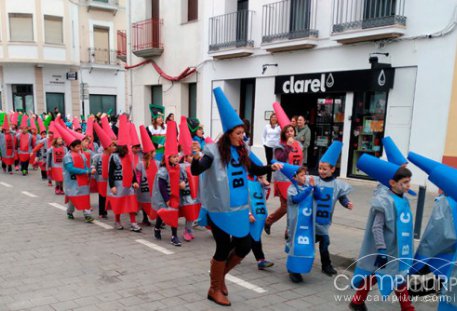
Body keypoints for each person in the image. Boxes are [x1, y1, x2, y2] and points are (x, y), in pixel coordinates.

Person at [191, 87, 282, 307]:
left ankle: (220, 278)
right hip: (219, 210)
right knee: (222, 248)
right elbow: (197, 170)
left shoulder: (243, 151)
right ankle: (214, 289)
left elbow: (257, 170)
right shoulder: (212, 151)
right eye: (239, 133)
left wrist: (271, 166)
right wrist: (195, 157)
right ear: (229, 133)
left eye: (244, 133)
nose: (243, 136)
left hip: (240, 208)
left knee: (244, 246)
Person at [350, 154, 414, 311]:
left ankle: (357, 302)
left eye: (409, 182)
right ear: (392, 183)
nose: (408, 186)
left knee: (381, 275)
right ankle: (407, 308)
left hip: (398, 247)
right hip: (386, 248)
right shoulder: (384, 201)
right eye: (404, 182)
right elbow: (377, 227)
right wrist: (381, 249)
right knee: (392, 276)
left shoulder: (404, 199)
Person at [313, 141, 353, 276]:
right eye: (320, 168)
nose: (321, 171)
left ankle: (326, 266)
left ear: (332, 169)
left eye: (324, 169)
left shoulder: (337, 185)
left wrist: (347, 203)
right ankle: (300, 261)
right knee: (308, 243)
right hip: (311, 220)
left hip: (324, 222)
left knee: (324, 243)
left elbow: (341, 197)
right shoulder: (314, 181)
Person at [264, 124, 302, 236]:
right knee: (285, 206)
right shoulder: (279, 145)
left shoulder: (299, 144)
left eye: (292, 131)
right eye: (287, 131)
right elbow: (280, 159)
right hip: (283, 179)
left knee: (294, 205)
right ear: (284, 134)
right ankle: (269, 220)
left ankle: (288, 231)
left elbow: (300, 160)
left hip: (295, 178)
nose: (290, 133)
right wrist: (288, 146)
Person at [106, 115, 141, 232]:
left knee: (131, 203)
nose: (130, 149)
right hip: (118, 183)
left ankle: (133, 222)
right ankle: (117, 221)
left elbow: (132, 170)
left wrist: (135, 181)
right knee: (119, 203)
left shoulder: (129, 156)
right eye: (128, 147)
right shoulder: (114, 157)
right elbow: (110, 172)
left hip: (128, 183)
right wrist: (112, 186)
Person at [152, 120, 183, 246]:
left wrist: (181, 183)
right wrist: (167, 198)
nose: (177, 158)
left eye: (177, 156)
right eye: (174, 157)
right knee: (164, 213)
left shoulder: (177, 168)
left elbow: (180, 179)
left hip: (174, 196)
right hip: (165, 196)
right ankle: (157, 228)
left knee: (173, 213)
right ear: (167, 157)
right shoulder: (163, 171)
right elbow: (161, 186)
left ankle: (174, 236)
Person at [92, 122, 116, 219]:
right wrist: (93, 169)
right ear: (106, 147)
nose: (113, 148)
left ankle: (111, 208)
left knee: (110, 194)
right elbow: (93, 165)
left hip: (110, 179)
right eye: (112, 146)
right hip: (101, 179)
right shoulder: (98, 156)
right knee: (102, 195)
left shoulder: (113, 157)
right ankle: (102, 211)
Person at [262, 113, 280, 183]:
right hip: (268, 146)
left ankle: (276, 178)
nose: (274, 118)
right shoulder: (267, 126)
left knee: (276, 162)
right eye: (272, 117)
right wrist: (264, 144)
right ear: (270, 118)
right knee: (269, 162)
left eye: (275, 117)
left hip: (276, 147)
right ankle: (268, 178)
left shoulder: (279, 127)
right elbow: (263, 136)